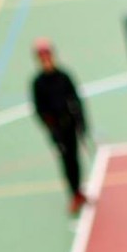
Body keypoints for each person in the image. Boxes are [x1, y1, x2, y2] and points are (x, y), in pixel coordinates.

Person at [31, 40, 88, 215]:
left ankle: (78, 191)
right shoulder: (38, 83)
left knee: (75, 159)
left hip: (70, 125)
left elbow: (76, 100)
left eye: (47, 56)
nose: (46, 60)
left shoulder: (63, 76)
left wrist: (81, 123)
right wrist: (52, 130)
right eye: (43, 57)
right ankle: (74, 194)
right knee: (66, 161)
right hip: (57, 130)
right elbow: (40, 111)